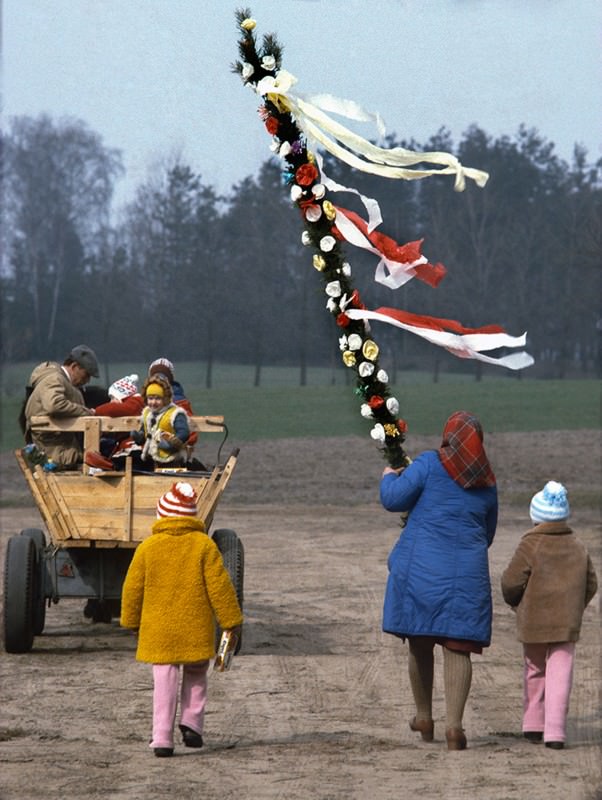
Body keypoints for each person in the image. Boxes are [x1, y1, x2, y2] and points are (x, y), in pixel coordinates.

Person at [379, 410, 498, 751]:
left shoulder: (429, 464)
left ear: (448, 437)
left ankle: (424, 717)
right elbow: (487, 534)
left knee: (420, 640)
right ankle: (455, 728)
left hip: (421, 574)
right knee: (458, 647)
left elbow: (393, 499)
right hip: (468, 577)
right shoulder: (488, 481)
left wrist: (389, 475)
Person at [120, 481, 243, 757]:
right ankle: (192, 725)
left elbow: (132, 588)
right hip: (194, 626)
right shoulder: (204, 546)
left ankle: (162, 738)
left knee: (164, 678)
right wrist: (230, 619)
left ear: (162, 516)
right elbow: (220, 586)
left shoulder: (148, 547)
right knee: (197, 671)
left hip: (158, 630)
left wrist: (130, 621)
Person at [501, 481, 597, 750]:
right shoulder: (577, 545)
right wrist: (575, 605)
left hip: (533, 620)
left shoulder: (530, 543)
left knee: (535, 669)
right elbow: (592, 583)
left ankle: (533, 724)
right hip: (566, 621)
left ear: (536, 517)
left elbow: (511, 581)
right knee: (560, 673)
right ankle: (555, 731)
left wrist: (516, 603)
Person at [23, 344, 99, 469]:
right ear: (74, 366)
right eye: (86, 375)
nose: (87, 380)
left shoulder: (59, 380)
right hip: (55, 453)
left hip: (59, 448)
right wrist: (85, 412)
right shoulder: (54, 379)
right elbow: (54, 404)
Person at [132, 375, 193, 470]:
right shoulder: (147, 413)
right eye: (150, 398)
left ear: (165, 399)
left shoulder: (174, 413)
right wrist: (139, 436)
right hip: (152, 459)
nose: (153, 402)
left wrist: (171, 444)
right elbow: (145, 432)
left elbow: (184, 433)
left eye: (158, 398)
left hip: (172, 459)